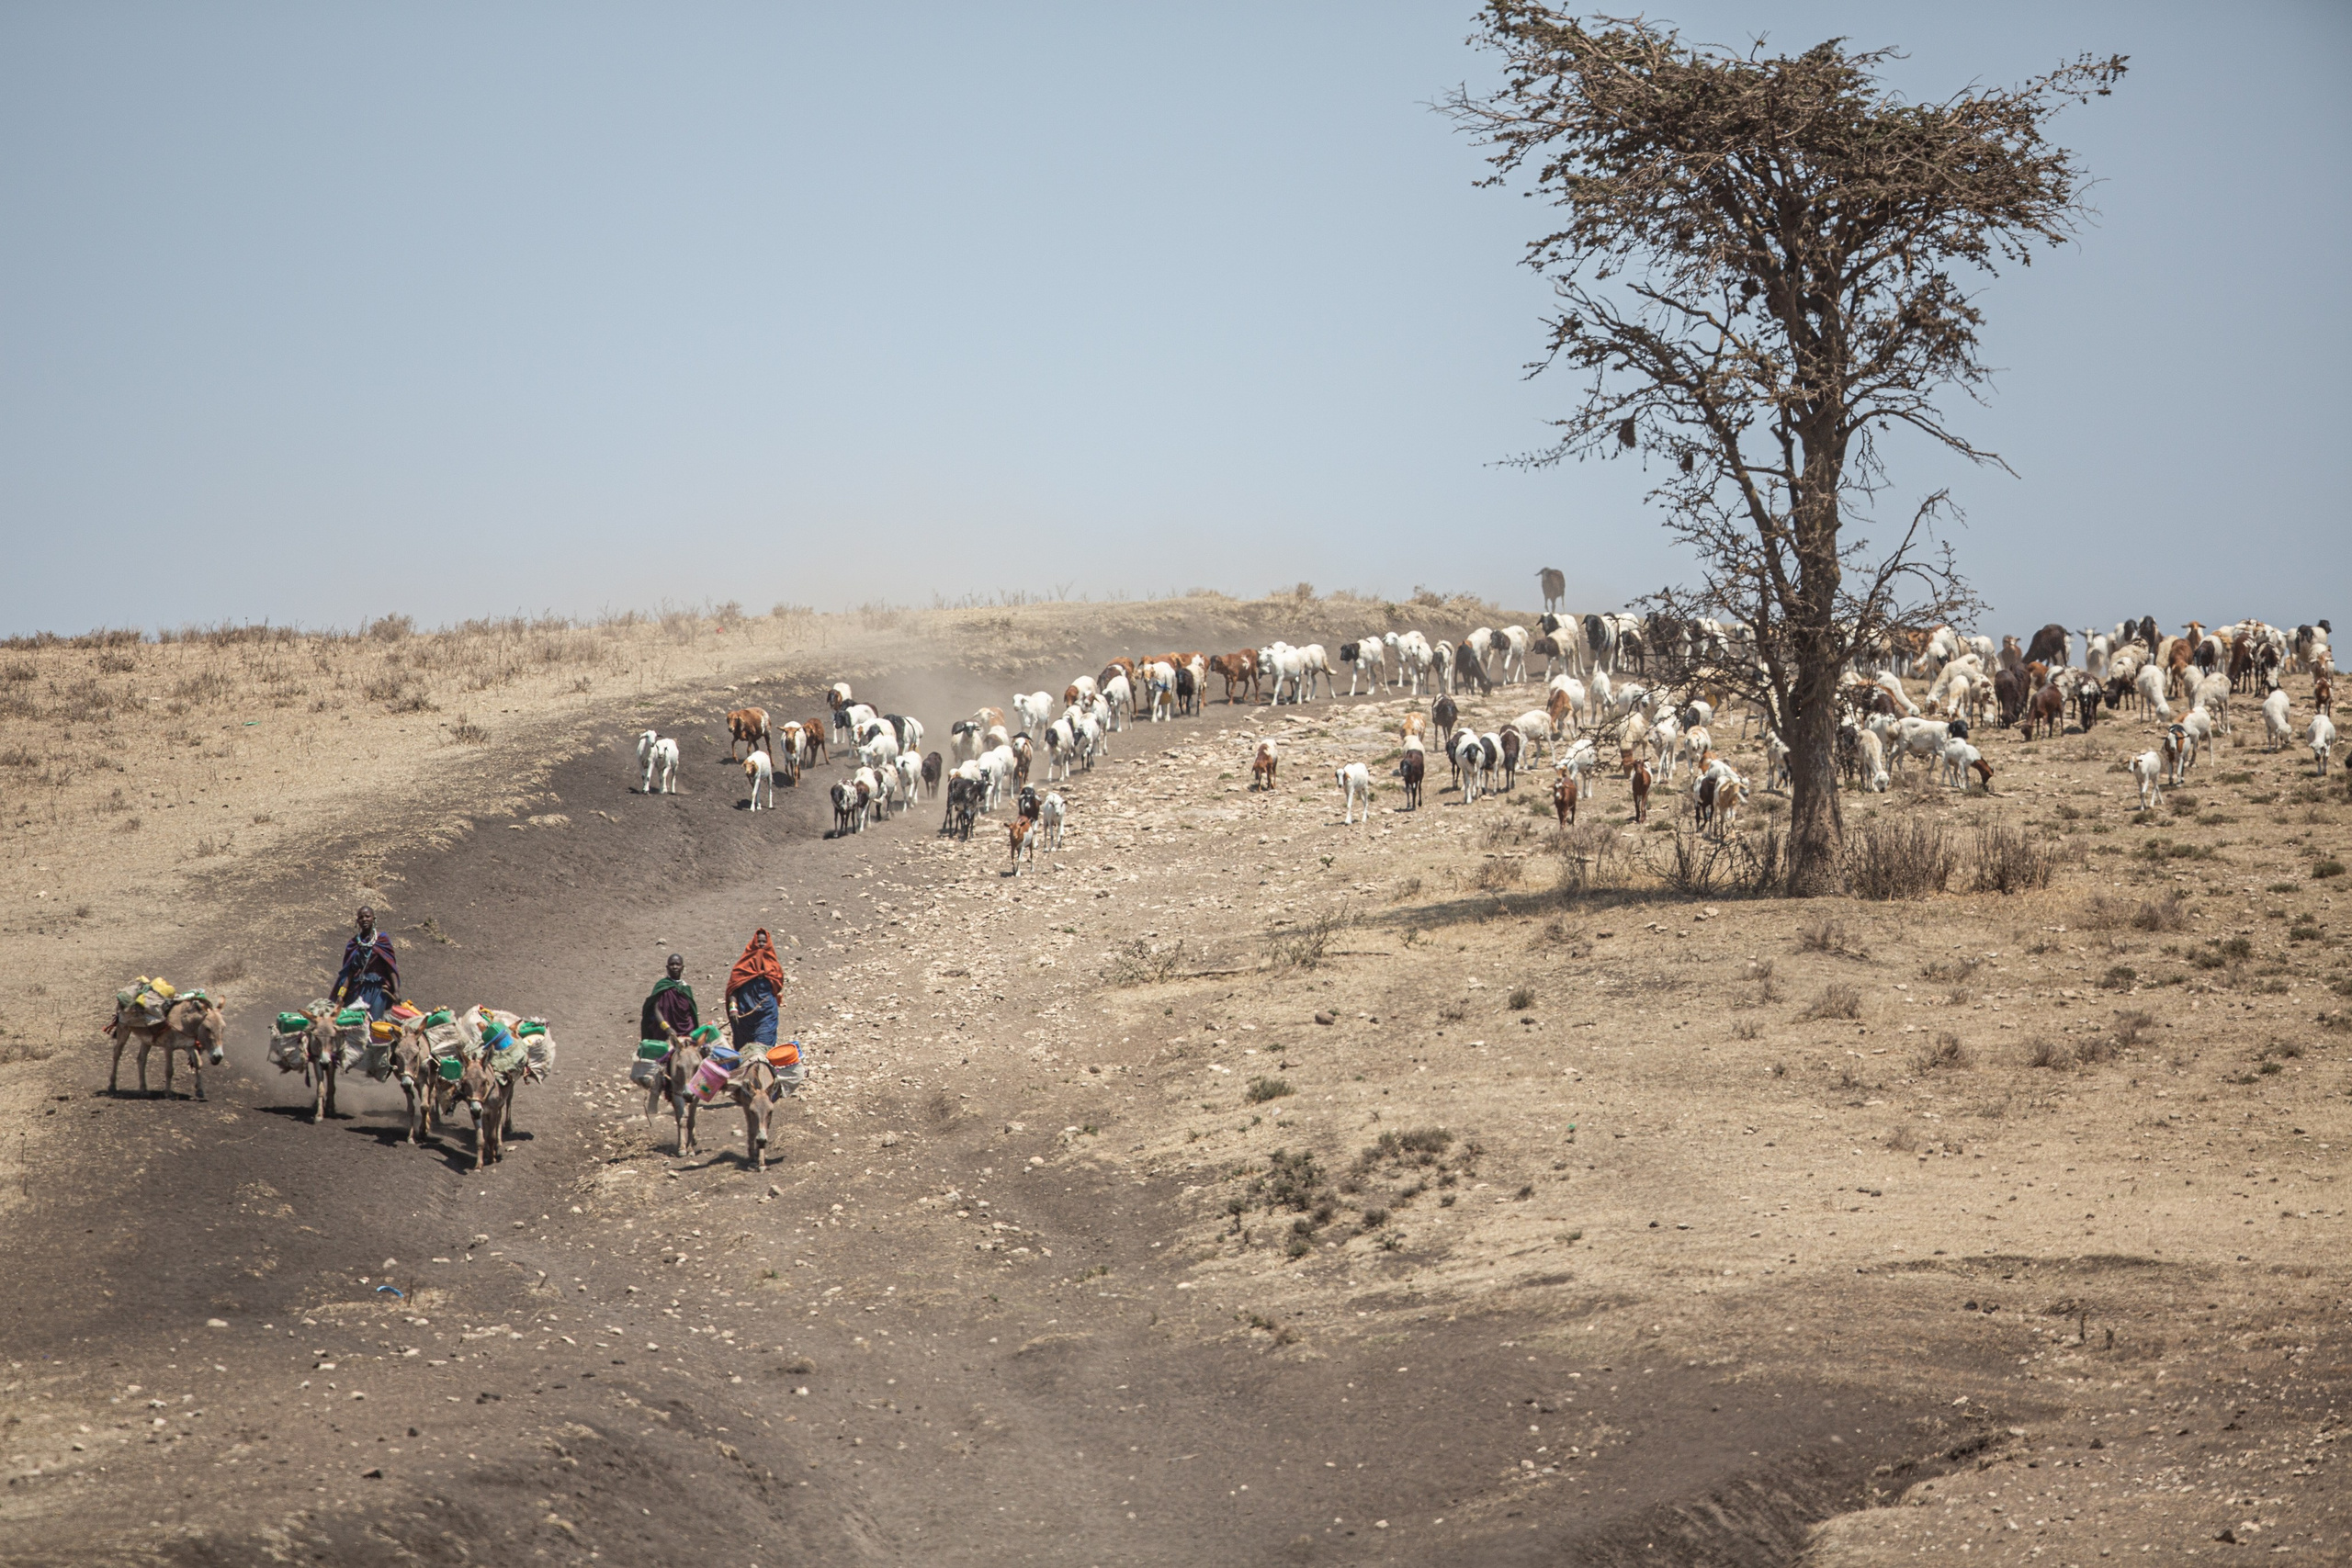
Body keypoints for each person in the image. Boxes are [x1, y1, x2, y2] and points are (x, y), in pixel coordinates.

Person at [332, 906, 399, 1021]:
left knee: (374, 1021)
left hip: (378, 989)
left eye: (368, 916)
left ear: (374, 919)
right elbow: (349, 973)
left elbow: (390, 967)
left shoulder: (382, 940)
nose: (364, 919)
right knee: (356, 1022)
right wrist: (340, 995)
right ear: (357, 921)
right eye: (361, 917)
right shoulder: (353, 944)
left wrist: (396, 990)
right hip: (358, 988)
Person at [640, 953, 698, 1045]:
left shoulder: (686, 988)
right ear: (667, 967)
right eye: (672, 964)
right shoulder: (662, 986)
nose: (675, 967)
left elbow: (691, 1012)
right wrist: (667, 1028)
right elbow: (656, 1009)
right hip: (665, 1032)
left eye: (677, 964)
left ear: (682, 968)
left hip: (686, 1030)